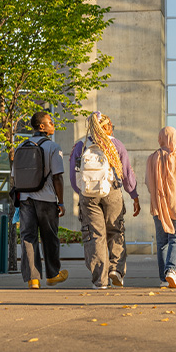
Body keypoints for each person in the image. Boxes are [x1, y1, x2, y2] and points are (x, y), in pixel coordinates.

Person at [69, 111, 140, 289]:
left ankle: (99, 280)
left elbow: (73, 176)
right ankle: (116, 270)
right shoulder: (115, 145)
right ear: (107, 127)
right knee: (115, 230)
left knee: (95, 235)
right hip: (112, 191)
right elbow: (127, 174)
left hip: (88, 195)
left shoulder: (81, 145)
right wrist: (134, 196)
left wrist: (83, 192)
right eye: (111, 126)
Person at [16, 111, 68, 289]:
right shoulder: (53, 147)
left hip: (25, 198)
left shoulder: (20, 147)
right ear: (42, 127)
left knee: (28, 237)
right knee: (49, 236)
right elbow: (57, 177)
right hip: (46, 199)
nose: (53, 125)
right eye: (50, 122)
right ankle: (53, 274)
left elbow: (15, 177)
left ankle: (33, 279)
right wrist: (60, 202)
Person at [146, 126, 176, 289]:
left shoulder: (152, 158)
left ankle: (164, 278)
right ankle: (172, 270)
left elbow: (147, 182)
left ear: (160, 139)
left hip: (159, 205)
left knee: (162, 241)